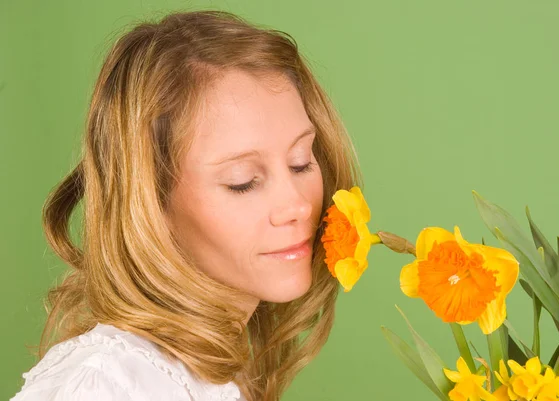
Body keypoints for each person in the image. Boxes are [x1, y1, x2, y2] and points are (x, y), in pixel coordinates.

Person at [11, 9, 362, 401]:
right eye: (242, 182)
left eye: (301, 161)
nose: (297, 205)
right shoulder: (104, 385)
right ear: (150, 202)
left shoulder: (219, 375)